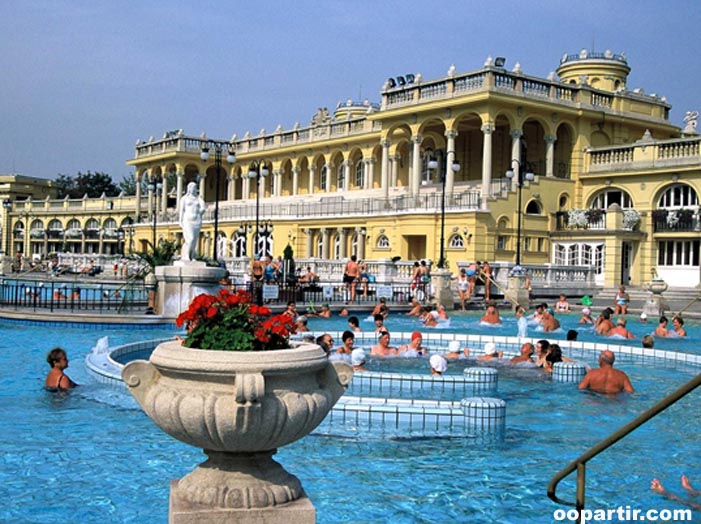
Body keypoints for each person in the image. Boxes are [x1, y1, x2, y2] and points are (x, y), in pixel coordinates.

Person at [179, 182, 205, 262]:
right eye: (192, 187)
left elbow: (203, 207)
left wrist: (200, 211)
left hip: (197, 220)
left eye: (195, 187)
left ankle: (192, 255)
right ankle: (186, 255)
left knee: (194, 239)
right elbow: (181, 210)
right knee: (190, 238)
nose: (194, 189)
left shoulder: (198, 198)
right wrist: (180, 220)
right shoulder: (184, 198)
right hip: (188, 220)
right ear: (189, 189)